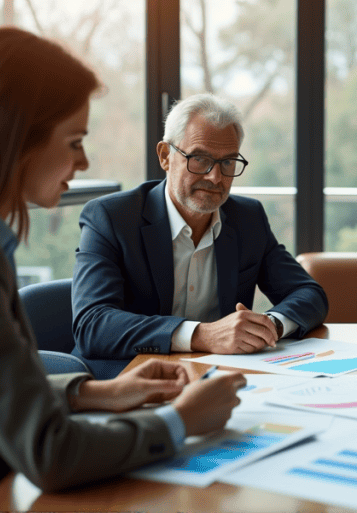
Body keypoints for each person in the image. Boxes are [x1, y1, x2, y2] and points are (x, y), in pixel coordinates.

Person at [0, 27, 246, 511]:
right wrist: (181, 421)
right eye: (74, 140)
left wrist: (95, 393)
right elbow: (50, 452)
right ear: (15, 138)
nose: (82, 161)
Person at [72, 93, 327, 378]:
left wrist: (269, 326)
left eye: (228, 162)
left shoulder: (247, 218)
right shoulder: (111, 218)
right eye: (200, 159)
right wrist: (201, 335)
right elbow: (92, 325)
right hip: (128, 378)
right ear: (165, 156)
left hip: (217, 377)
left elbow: (309, 294)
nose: (215, 177)